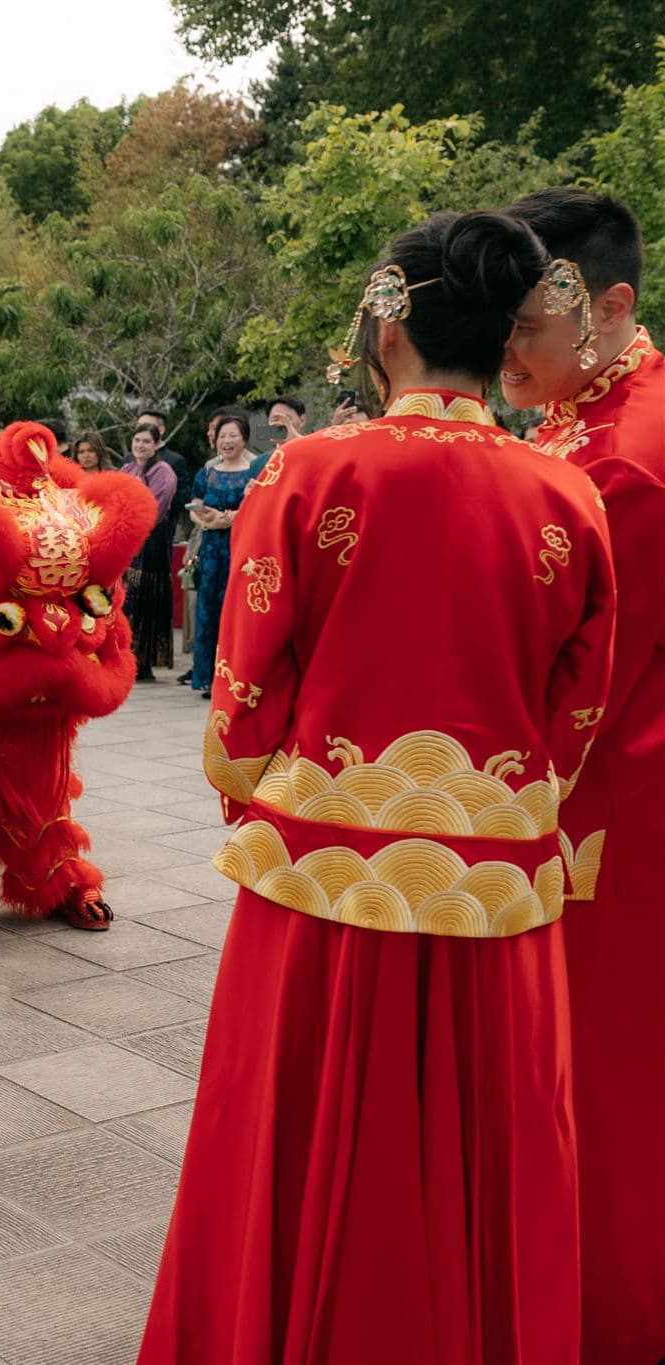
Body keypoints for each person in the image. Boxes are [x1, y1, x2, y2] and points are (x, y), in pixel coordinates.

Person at [141, 211, 615, 1365]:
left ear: (387, 322)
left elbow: (241, 694)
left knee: (294, 1133)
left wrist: (269, 793)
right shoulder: (565, 497)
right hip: (493, 877)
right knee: (484, 1136)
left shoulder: (309, 471)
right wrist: (494, 802)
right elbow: (576, 716)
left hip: (315, 878)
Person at [501, 185, 665, 1362]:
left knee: (607, 1083)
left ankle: (608, 1323)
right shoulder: (578, 416)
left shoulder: (626, 456)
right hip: (593, 795)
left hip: (616, 808)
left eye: (528, 323)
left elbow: (574, 681)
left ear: (607, 306)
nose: (506, 350)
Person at [185, 411, 262, 698]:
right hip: (212, 549)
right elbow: (195, 507)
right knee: (209, 612)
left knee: (238, 611)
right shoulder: (207, 472)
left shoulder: (255, 469)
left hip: (243, 548)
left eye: (233, 435)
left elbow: (262, 505)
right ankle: (209, 677)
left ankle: (238, 675)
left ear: (244, 439)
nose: (227, 441)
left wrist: (235, 517)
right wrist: (208, 520)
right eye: (222, 436)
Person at [122, 424, 176, 680]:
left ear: (156, 444)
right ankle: (124, 656)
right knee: (126, 600)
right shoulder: (128, 467)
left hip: (151, 543)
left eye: (146, 441)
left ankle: (143, 662)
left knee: (145, 602)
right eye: (137, 440)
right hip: (128, 540)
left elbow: (154, 508)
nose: (140, 445)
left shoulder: (163, 471)